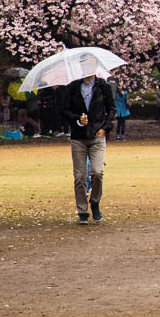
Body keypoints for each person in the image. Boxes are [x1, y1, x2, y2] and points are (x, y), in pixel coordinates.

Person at [61, 73, 116, 225]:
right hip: (78, 137)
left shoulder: (103, 86)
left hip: (97, 135)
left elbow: (112, 109)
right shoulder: (73, 87)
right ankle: (82, 211)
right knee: (80, 177)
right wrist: (77, 119)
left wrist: (106, 128)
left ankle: (95, 202)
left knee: (97, 172)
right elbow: (64, 110)